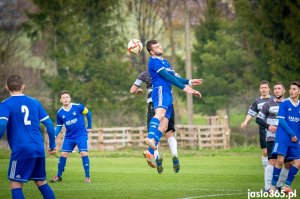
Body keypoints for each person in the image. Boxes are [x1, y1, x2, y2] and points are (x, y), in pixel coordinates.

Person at [0, 74, 56, 199]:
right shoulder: (35, 102)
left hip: (21, 149)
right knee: (41, 182)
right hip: (38, 148)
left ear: (7, 87)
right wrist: (52, 145)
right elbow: (50, 126)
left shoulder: (5, 104)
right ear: (23, 87)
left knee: (15, 184)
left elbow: (2, 123)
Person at [143, 40, 202, 159]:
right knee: (160, 113)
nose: (160, 47)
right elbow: (167, 77)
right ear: (151, 52)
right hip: (160, 91)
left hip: (168, 95)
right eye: (156, 47)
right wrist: (183, 87)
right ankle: (150, 138)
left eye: (159, 45)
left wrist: (189, 82)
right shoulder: (153, 62)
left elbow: (175, 76)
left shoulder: (165, 62)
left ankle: (150, 149)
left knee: (164, 127)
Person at [130, 70, 180, 174]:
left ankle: (156, 157)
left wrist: (138, 90)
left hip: (153, 104)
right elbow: (179, 80)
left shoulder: (144, 74)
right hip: (167, 104)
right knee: (169, 133)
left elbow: (132, 90)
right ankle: (175, 155)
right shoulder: (168, 70)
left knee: (152, 134)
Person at [50, 90, 92, 183]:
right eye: (63, 98)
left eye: (67, 97)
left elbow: (89, 113)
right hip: (69, 137)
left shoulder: (78, 106)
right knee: (63, 154)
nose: (65, 99)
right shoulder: (59, 113)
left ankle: (87, 177)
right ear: (61, 100)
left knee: (84, 153)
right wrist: (54, 134)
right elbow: (59, 126)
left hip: (81, 134)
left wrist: (89, 127)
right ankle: (59, 176)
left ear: (70, 98)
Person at [255, 82, 291, 191]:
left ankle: (279, 185)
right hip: (272, 138)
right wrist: (268, 126)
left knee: (288, 163)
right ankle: (267, 188)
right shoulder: (268, 104)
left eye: (279, 88)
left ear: (284, 91)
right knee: (272, 161)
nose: (276, 90)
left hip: (286, 139)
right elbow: (258, 119)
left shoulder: (289, 104)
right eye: (275, 89)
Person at [270, 81, 300, 193]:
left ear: (299, 91)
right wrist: (292, 134)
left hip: (295, 140)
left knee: (298, 162)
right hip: (283, 137)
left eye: (294, 89)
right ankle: (273, 186)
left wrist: (299, 138)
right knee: (280, 160)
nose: (292, 91)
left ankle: (286, 186)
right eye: (291, 89)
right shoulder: (284, 103)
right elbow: (281, 120)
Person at [240, 80, 273, 171]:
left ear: (269, 89)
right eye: (262, 88)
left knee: (275, 154)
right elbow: (251, 113)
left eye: (265, 87)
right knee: (265, 152)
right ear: (259, 89)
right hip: (263, 130)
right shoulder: (257, 102)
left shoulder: (274, 100)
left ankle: (275, 179)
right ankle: (267, 176)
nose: (263, 89)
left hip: (275, 130)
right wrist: (245, 121)